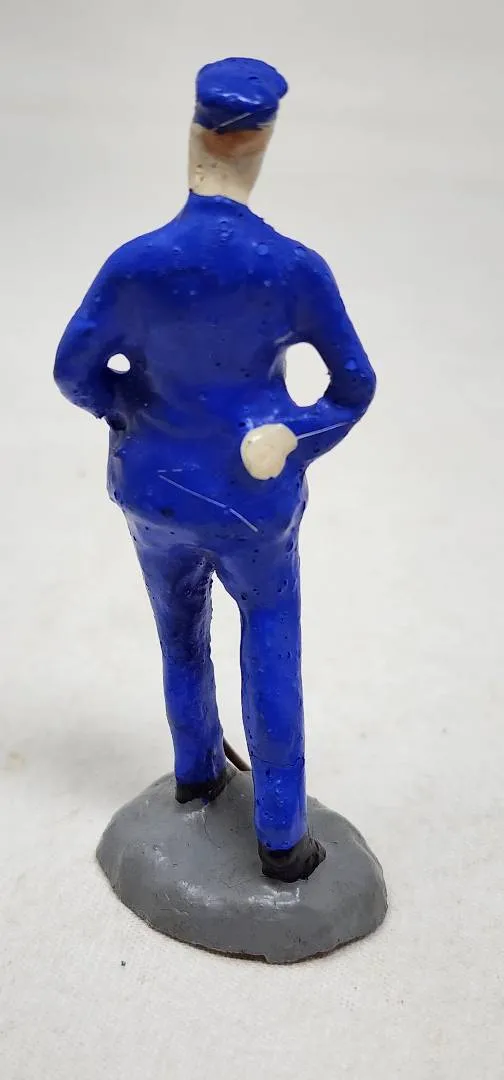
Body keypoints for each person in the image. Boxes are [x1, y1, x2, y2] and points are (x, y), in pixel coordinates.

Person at [54, 57, 376, 882]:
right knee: (269, 642)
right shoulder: (293, 267)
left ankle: (198, 774)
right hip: (249, 497)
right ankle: (281, 838)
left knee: (178, 634)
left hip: (154, 487)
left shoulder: (137, 263)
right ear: (261, 143)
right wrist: (292, 436)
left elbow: (73, 370)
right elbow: (353, 387)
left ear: (195, 136)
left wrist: (129, 412)